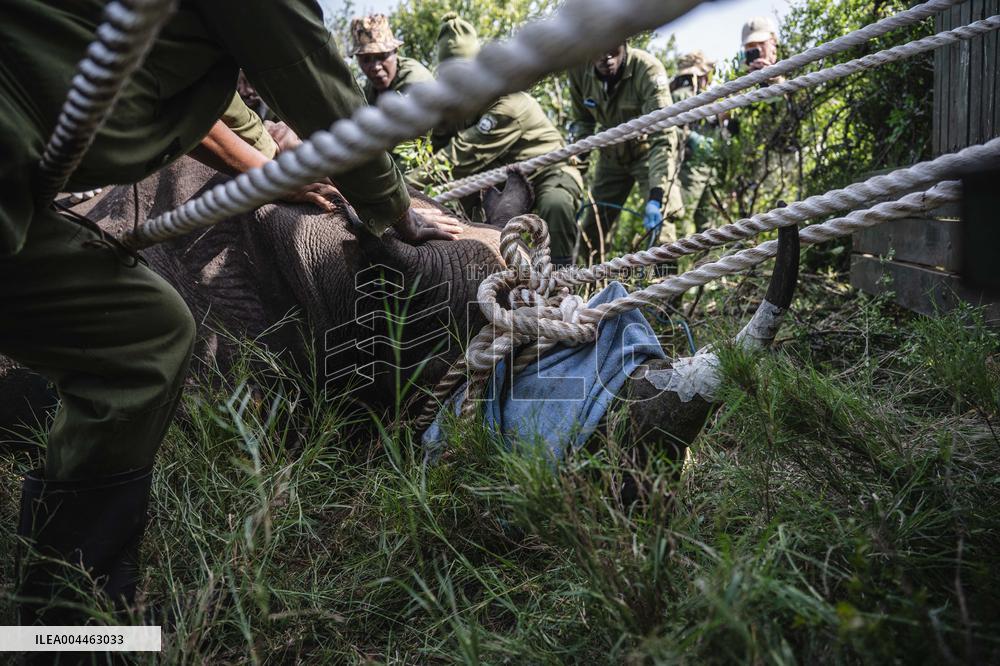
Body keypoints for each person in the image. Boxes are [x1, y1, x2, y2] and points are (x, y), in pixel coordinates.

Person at [0, 0, 460, 626]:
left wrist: (269, 171)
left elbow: (211, 113)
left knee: (146, 331)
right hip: (14, 145)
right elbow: (308, 73)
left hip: (27, 169)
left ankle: (68, 618)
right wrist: (391, 205)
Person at [407, 14, 584, 267]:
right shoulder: (455, 106)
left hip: (547, 171)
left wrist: (401, 187)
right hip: (500, 181)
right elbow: (434, 147)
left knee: (555, 205)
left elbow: (461, 154)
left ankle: (563, 276)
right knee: (469, 218)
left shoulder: (506, 101)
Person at [569, 43, 684, 263]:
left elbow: (663, 137)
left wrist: (656, 197)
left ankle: (664, 284)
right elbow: (583, 122)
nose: (606, 55)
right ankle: (597, 281)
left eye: (612, 45)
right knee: (589, 233)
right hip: (610, 157)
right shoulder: (578, 72)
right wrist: (576, 168)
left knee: (663, 226)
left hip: (647, 154)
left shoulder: (647, 69)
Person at [671, 50, 720, 237]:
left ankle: (706, 256)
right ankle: (676, 255)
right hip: (687, 169)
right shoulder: (680, 96)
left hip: (709, 169)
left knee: (709, 224)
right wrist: (691, 138)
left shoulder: (708, 98)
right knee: (682, 218)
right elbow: (667, 130)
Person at [351, 14, 434, 106]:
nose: (375, 67)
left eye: (382, 56)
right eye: (366, 60)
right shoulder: (369, 90)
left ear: (395, 52)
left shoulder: (416, 80)